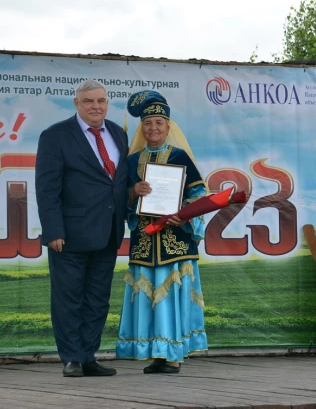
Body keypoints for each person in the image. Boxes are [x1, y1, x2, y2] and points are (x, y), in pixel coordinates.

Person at [35, 80, 129, 377]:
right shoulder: (55, 136)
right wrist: (53, 230)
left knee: (98, 299)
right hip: (69, 235)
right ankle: (71, 358)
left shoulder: (118, 133)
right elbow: (46, 188)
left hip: (108, 232)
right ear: (77, 103)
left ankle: (88, 355)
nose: (96, 106)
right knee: (68, 298)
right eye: (89, 101)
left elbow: (118, 182)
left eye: (101, 100)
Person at [115, 90, 208, 374]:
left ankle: (174, 355)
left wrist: (183, 215)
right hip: (145, 241)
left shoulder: (180, 157)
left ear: (168, 127)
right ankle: (157, 353)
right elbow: (120, 202)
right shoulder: (131, 162)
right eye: (148, 123)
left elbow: (200, 194)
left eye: (159, 122)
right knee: (148, 297)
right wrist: (133, 192)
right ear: (142, 128)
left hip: (175, 241)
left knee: (171, 297)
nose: (153, 128)